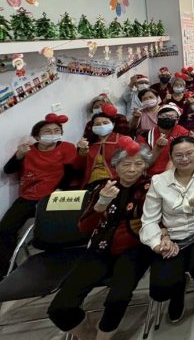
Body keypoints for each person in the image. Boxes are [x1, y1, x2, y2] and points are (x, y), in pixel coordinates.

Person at [47, 141, 153, 340]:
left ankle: (104, 335)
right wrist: (101, 204)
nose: (132, 169)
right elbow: (85, 228)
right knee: (60, 308)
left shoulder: (151, 187)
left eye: (138, 164)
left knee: (118, 297)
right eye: (126, 164)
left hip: (135, 249)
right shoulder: (103, 187)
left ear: (145, 166)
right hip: (99, 249)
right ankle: (87, 333)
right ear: (116, 166)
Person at [140, 136, 194, 323]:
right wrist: (156, 243)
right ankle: (178, 289)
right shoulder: (159, 181)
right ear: (171, 156)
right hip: (172, 235)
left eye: (189, 153)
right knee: (160, 289)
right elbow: (149, 219)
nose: (184, 159)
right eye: (178, 155)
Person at [1, 114, 78, 279]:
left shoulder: (67, 148)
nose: (53, 134)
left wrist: (59, 191)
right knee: (5, 229)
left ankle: (58, 264)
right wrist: (18, 155)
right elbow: (8, 170)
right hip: (28, 196)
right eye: (48, 131)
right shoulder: (28, 150)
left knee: (53, 230)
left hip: (54, 195)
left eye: (57, 130)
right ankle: (7, 269)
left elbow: (71, 173)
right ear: (37, 136)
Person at [75, 104, 128, 189]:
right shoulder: (89, 143)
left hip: (116, 181)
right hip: (91, 183)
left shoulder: (123, 140)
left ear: (113, 124)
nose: (101, 126)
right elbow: (79, 167)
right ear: (92, 127)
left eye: (105, 123)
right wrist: (81, 152)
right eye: (97, 124)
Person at [138, 104, 190, 175]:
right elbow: (142, 165)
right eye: (163, 116)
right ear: (157, 118)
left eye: (172, 117)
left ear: (177, 120)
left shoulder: (184, 134)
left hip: (177, 175)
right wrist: (157, 148)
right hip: (152, 176)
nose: (167, 118)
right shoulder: (145, 136)